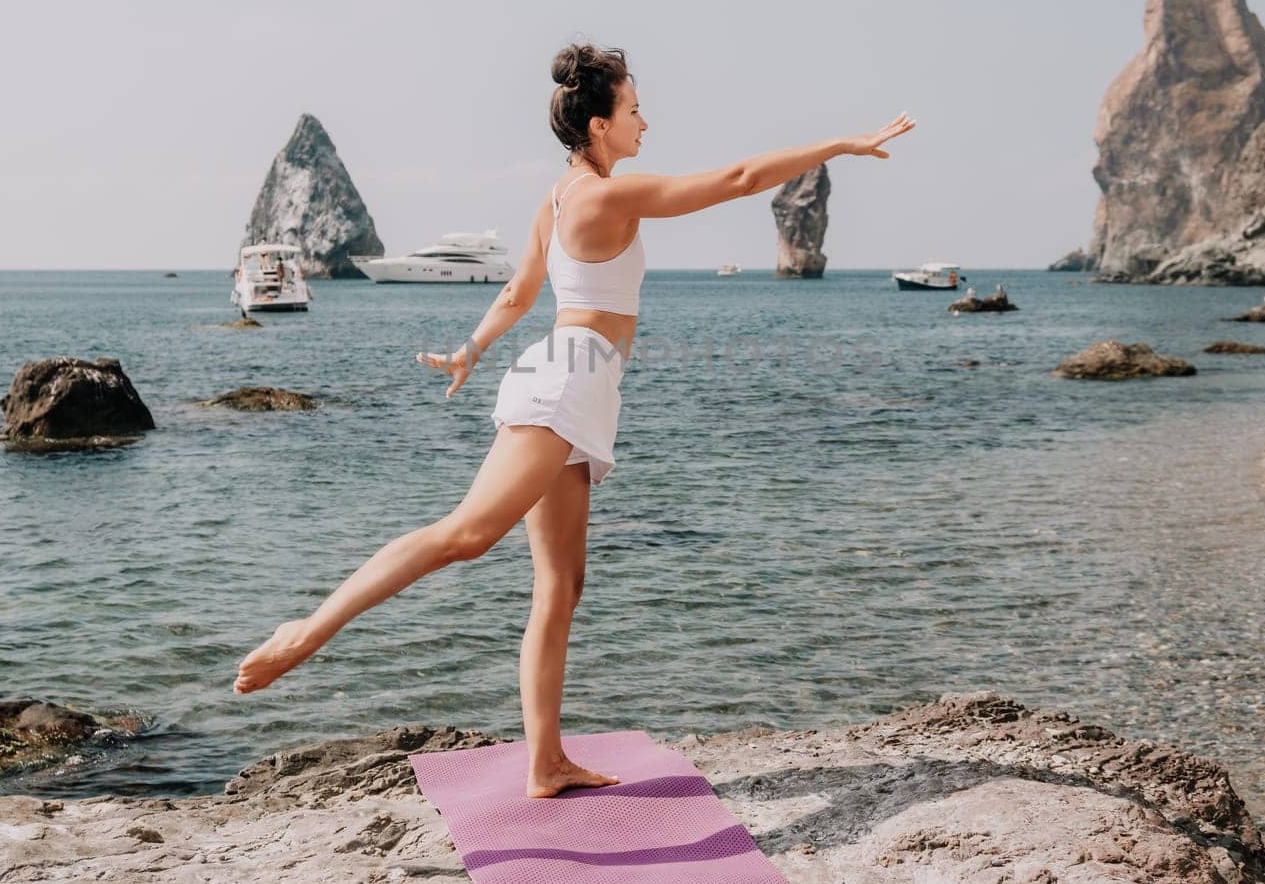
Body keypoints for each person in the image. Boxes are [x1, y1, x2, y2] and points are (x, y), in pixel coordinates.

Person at [233, 43, 915, 798]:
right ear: (599, 124)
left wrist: (471, 349)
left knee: (561, 583)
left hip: (577, 381)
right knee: (465, 534)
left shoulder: (559, 200)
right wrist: (842, 143)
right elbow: (739, 180)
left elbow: (521, 292)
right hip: (567, 381)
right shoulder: (597, 198)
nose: (644, 122)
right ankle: (308, 631)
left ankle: (545, 761)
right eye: (632, 110)